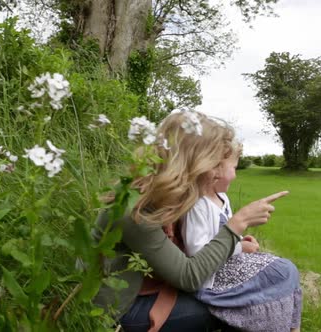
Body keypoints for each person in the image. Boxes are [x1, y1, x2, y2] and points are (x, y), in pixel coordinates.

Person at [92, 111, 291, 331]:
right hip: (120, 310)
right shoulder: (134, 208)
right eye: (214, 163)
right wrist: (237, 224)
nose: (218, 173)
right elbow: (189, 277)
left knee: (248, 293)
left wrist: (237, 244)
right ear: (191, 161)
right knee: (239, 305)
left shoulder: (169, 194)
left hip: (154, 289)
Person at [180, 124, 302, 332]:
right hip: (213, 280)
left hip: (228, 265)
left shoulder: (222, 198)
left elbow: (227, 234)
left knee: (287, 268)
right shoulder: (197, 205)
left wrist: (241, 240)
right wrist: (239, 248)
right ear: (214, 168)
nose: (236, 175)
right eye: (234, 168)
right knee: (280, 272)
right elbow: (196, 253)